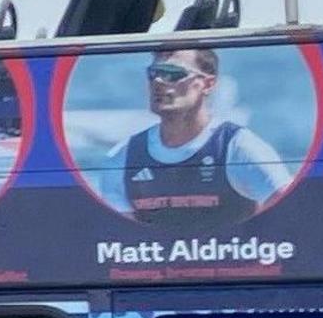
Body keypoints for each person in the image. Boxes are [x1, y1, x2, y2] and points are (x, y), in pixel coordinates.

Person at [114, 45, 291, 228]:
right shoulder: (123, 156)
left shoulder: (239, 147)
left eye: (172, 73)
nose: (158, 81)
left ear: (207, 84)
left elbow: (294, 206)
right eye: (153, 73)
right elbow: (116, 236)